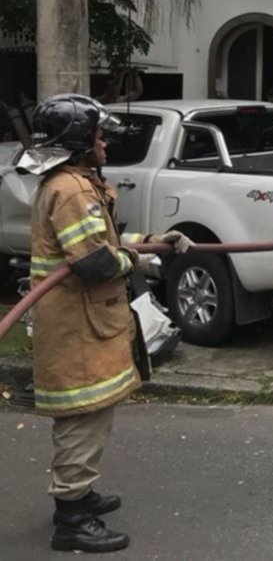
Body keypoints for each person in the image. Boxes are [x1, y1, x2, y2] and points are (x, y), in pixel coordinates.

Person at [24, 95, 192, 553]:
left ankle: (80, 493)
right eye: (97, 134)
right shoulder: (72, 190)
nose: (104, 142)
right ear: (79, 141)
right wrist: (141, 260)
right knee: (82, 417)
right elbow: (96, 262)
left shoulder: (76, 184)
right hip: (77, 324)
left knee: (92, 416)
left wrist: (155, 242)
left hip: (84, 321)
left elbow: (107, 243)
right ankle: (71, 518)